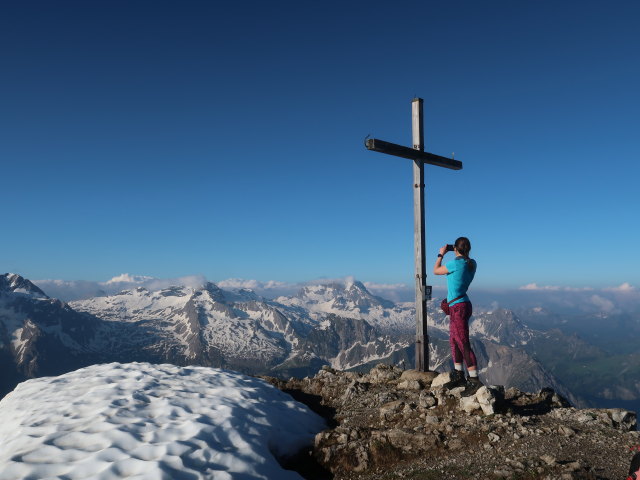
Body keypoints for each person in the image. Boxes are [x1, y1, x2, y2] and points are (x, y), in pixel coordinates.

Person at [433, 236, 481, 396]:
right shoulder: (472, 264)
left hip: (458, 307)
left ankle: (474, 380)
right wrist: (455, 249)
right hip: (463, 304)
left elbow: (436, 270)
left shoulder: (454, 264)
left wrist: (441, 254)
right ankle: (459, 375)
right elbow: (464, 256)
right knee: (454, 340)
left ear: (456, 249)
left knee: (463, 343)